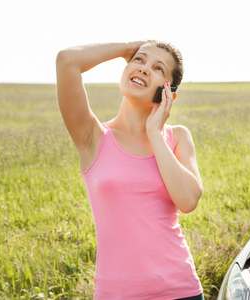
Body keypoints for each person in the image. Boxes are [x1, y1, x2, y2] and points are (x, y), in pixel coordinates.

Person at [56, 41, 204, 300]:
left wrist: (155, 133)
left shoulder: (177, 137)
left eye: (158, 68)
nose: (145, 69)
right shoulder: (93, 137)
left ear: (169, 92)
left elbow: (188, 200)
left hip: (181, 289)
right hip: (116, 293)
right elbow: (67, 61)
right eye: (139, 61)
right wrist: (127, 49)